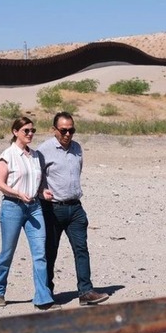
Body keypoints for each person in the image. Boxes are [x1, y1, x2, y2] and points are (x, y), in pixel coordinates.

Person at [0, 117, 60, 310]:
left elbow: (37, 182)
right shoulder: (7, 155)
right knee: (8, 252)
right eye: (26, 130)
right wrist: (17, 193)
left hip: (34, 208)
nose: (30, 134)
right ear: (15, 131)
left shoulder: (36, 156)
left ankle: (43, 298)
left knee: (40, 253)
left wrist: (42, 192)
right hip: (13, 207)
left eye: (32, 130)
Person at [39, 112, 110, 306]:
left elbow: (78, 171)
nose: (68, 134)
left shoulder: (77, 148)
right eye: (64, 130)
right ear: (54, 129)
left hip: (75, 208)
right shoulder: (43, 150)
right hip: (53, 209)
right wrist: (41, 191)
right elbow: (36, 177)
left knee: (81, 249)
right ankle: (46, 293)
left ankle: (85, 292)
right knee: (50, 252)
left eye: (72, 130)